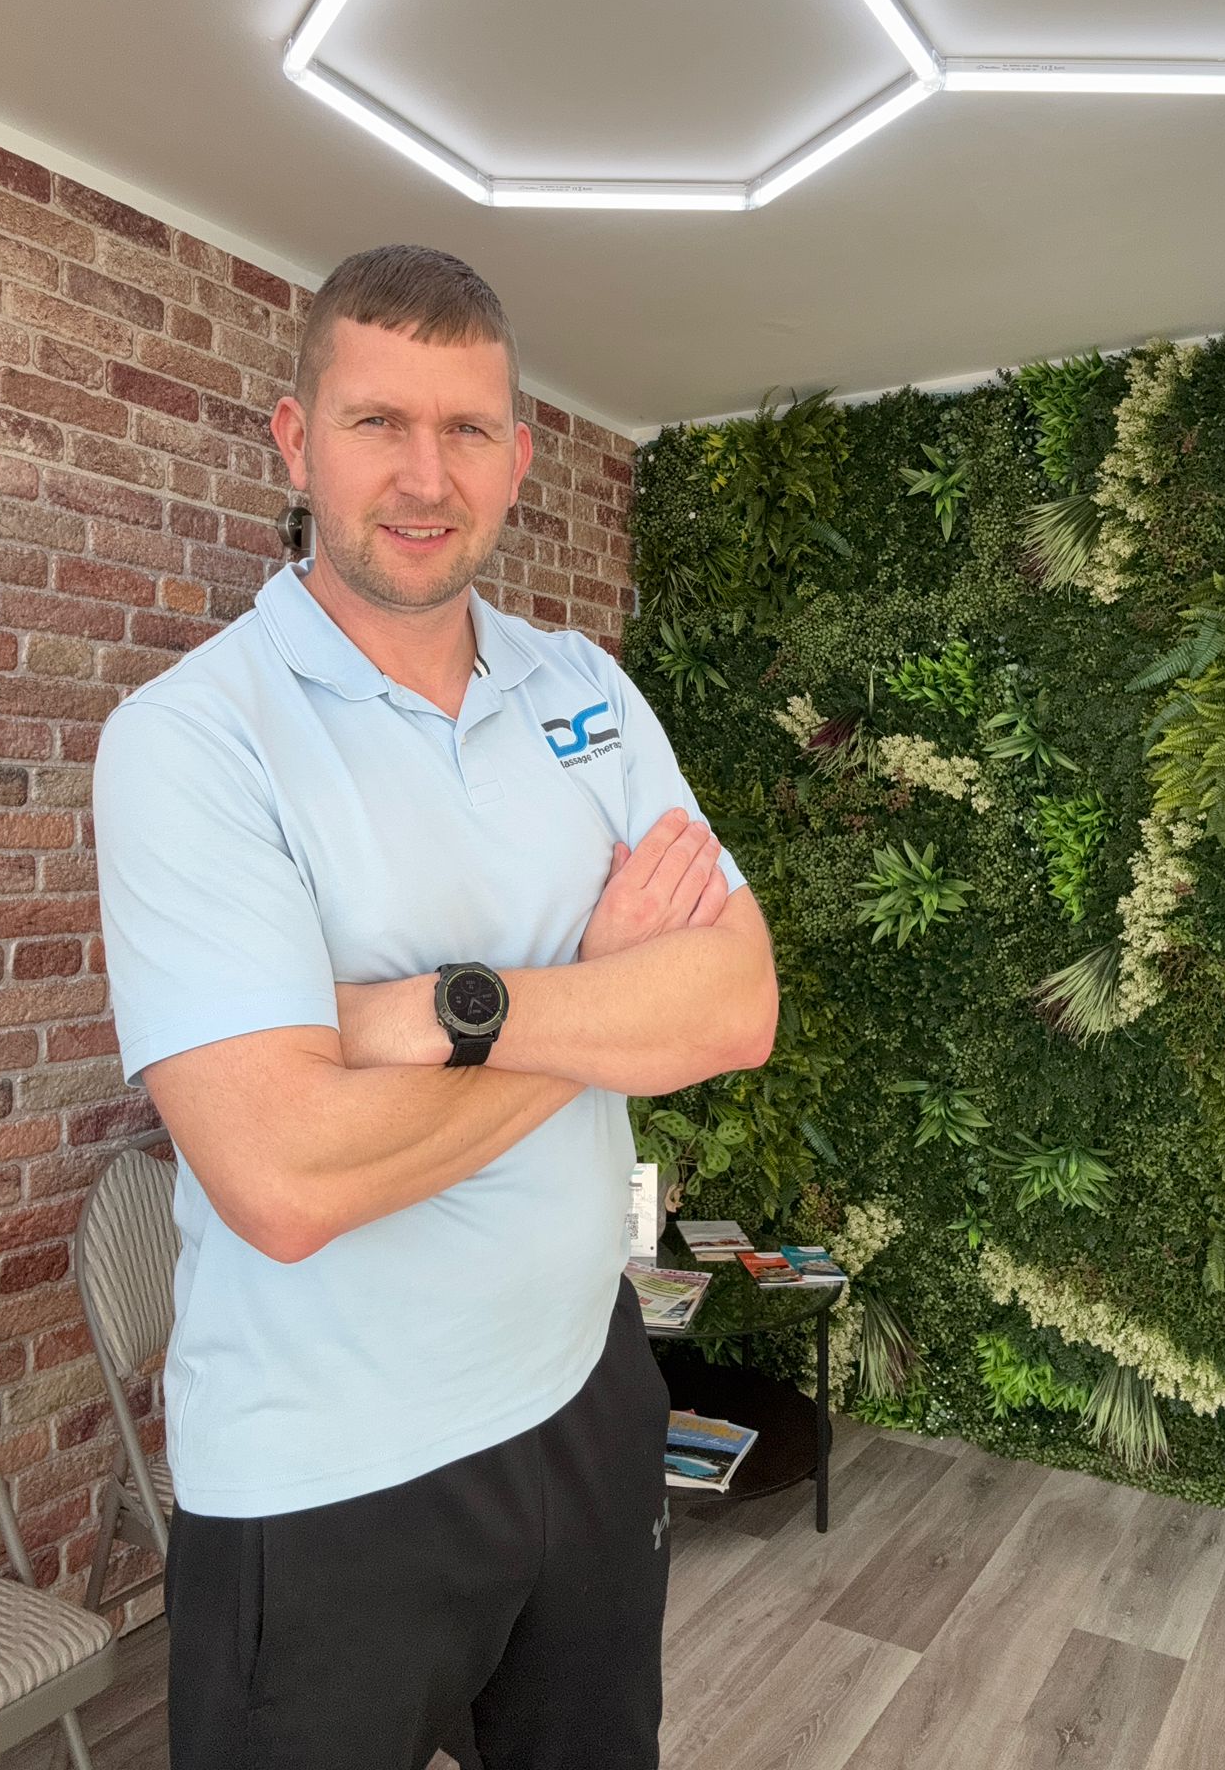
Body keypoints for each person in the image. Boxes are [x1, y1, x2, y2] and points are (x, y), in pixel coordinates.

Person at [91, 243, 779, 1770]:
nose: (424, 474)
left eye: (466, 428)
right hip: (323, 1479)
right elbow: (284, 1181)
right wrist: (601, 988)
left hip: (587, 1395)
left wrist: (428, 1014)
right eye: (377, 422)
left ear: (519, 458)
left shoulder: (584, 687)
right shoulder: (190, 739)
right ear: (295, 440)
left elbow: (735, 1003)